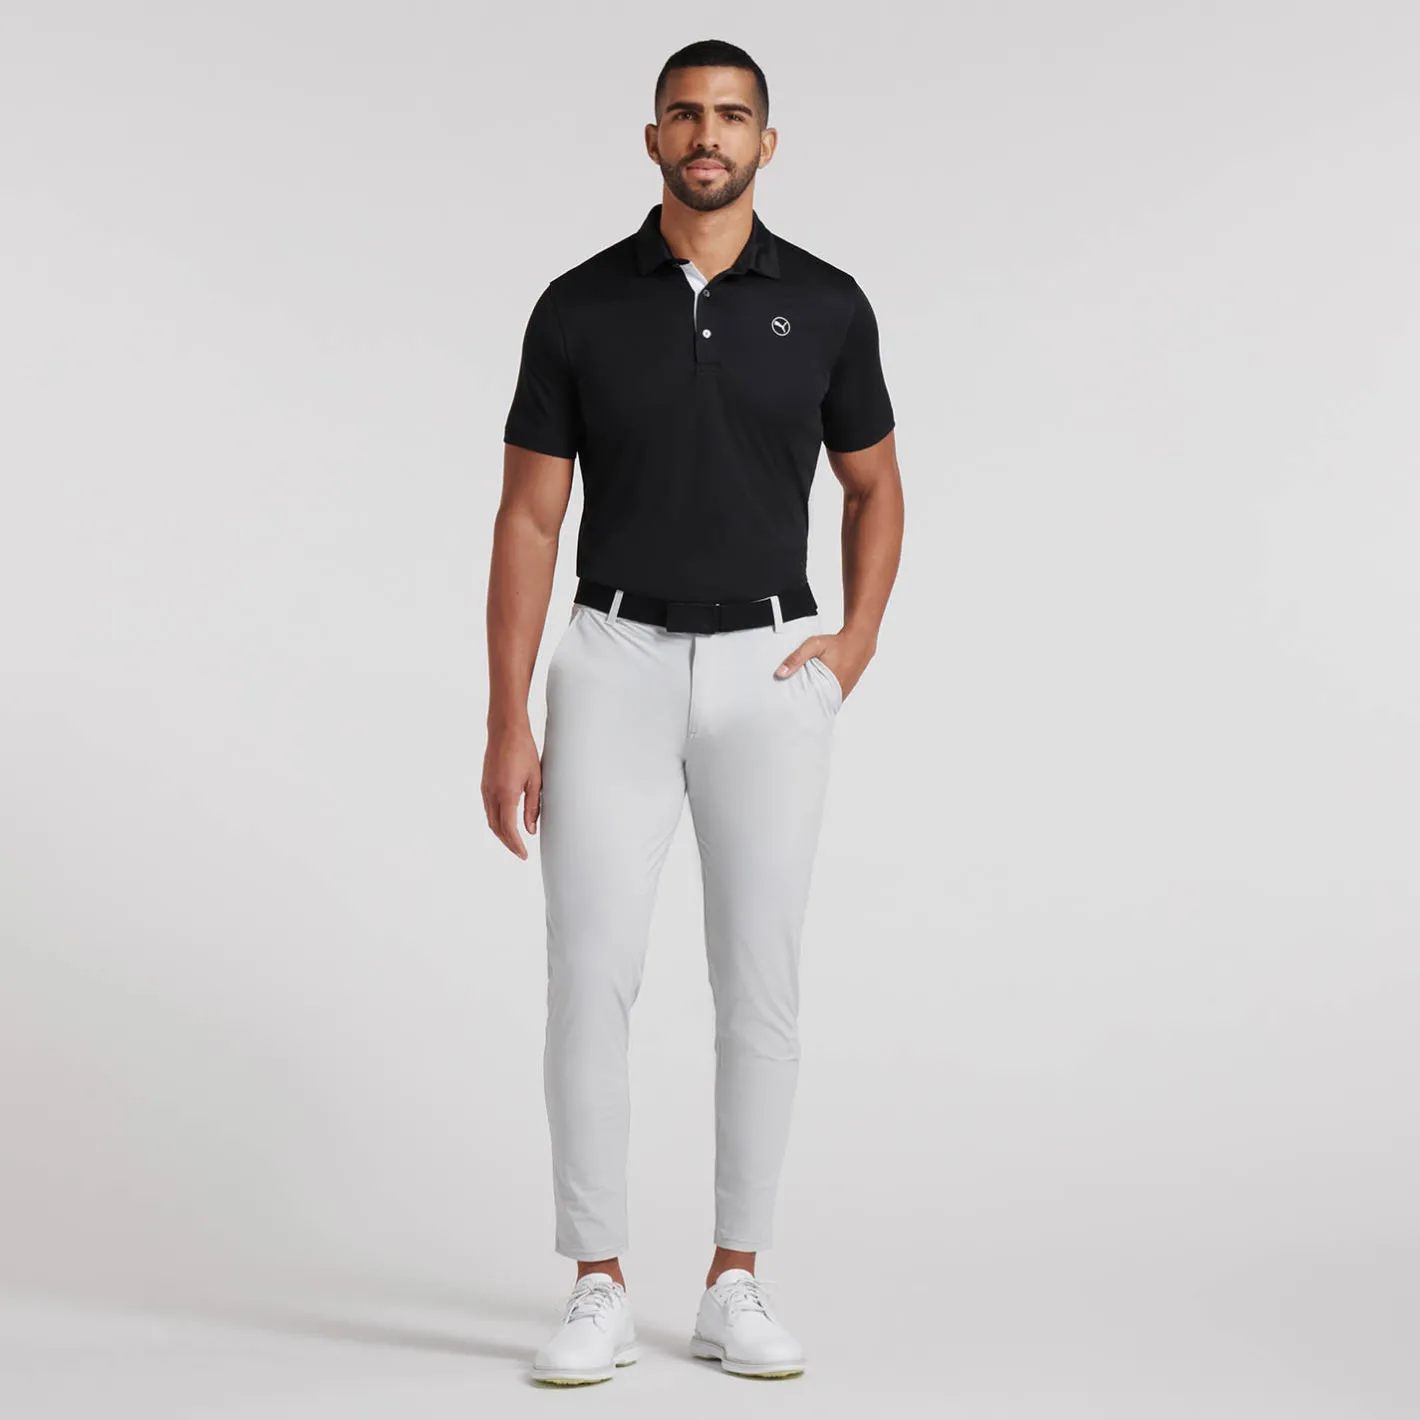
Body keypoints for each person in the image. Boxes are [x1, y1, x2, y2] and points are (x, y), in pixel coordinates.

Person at [483, 37, 903, 1386]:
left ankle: (735, 1279)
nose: (707, 134)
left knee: (759, 982)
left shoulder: (827, 304)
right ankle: (597, 1283)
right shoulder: (578, 306)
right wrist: (508, 717)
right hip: (612, 658)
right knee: (588, 974)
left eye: (731, 116)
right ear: (653, 137)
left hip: (771, 670)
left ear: (766, 143)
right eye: (685, 114)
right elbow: (531, 517)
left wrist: (853, 645)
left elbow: (875, 486)